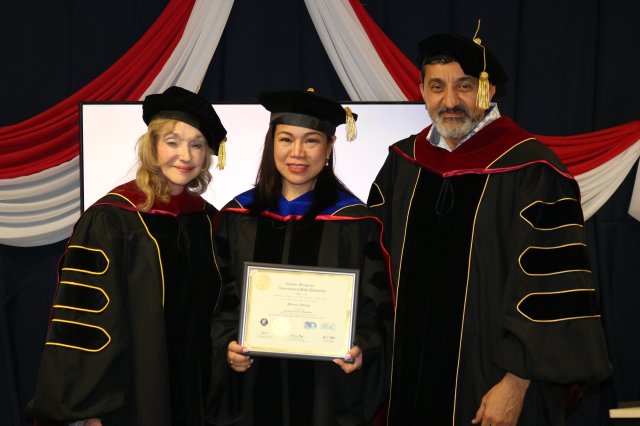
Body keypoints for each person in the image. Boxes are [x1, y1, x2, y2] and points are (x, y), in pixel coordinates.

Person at [367, 30, 612, 426]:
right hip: (406, 385)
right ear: (422, 91)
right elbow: (372, 271)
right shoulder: (403, 163)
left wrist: (515, 383)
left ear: (488, 89)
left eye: (464, 86)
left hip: (491, 386)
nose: (450, 101)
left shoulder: (532, 170)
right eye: (437, 87)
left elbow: (549, 291)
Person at [26, 86, 227, 426]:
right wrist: (90, 410)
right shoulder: (112, 219)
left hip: (199, 395)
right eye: (173, 142)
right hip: (133, 396)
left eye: (197, 145)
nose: (186, 155)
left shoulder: (209, 221)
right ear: (153, 146)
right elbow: (86, 320)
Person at [207, 89, 393, 426]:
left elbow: (376, 308)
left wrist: (363, 347)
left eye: (311, 141)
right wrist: (227, 346)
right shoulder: (237, 217)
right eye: (286, 139)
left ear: (329, 147)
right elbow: (220, 300)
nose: (297, 153)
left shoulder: (355, 223)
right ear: (271, 144)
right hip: (253, 390)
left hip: (326, 393)